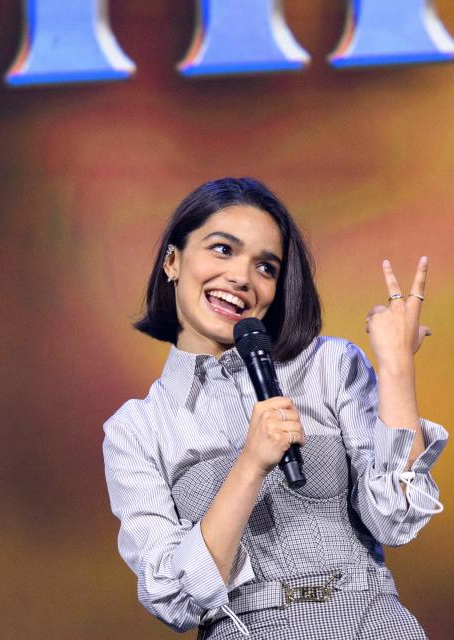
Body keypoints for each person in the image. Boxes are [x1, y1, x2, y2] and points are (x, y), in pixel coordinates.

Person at [102, 177, 445, 639]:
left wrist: (398, 368)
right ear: (173, 261)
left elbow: (395, 519)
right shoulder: (138, 429)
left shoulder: (329, 365)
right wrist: (250, 463)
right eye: (223, 249)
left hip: (372, 622)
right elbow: (174, 601)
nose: (242, 278)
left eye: (265, 267)